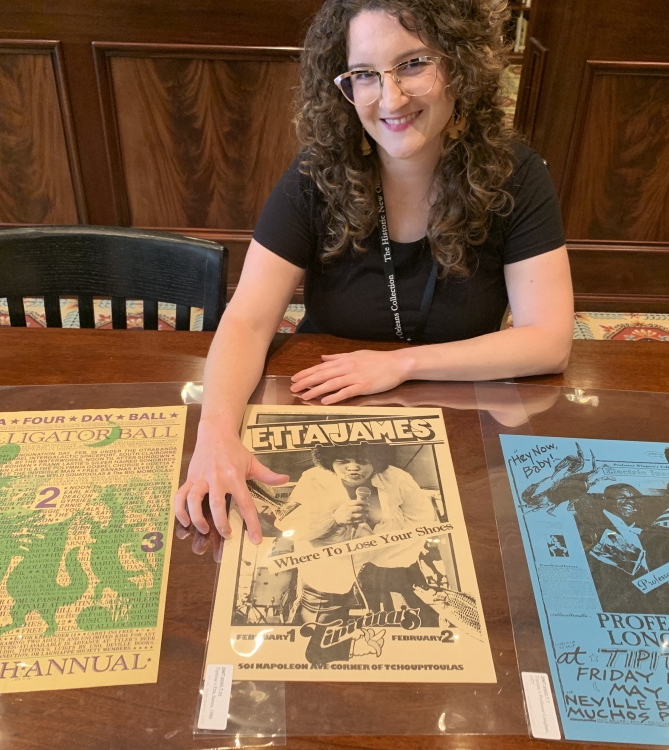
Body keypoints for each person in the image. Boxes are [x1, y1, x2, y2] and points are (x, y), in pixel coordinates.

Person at [175, 0, 573, 544]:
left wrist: (400, 364)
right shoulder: (316, 173)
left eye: (413, 64)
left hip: (458, 418)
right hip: (320, 412)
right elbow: (245, 319)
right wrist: (216, 433)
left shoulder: (517, 175)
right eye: (365, 74)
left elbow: (548, 341)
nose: (391, 97)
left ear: (458, 64)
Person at [276, 442, 438, 624]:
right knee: (320, 634)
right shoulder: (313, 479)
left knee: (399, 626)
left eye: (362, 460)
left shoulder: (397, 478)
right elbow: (290, 526)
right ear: (328, 460)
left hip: (386, 571)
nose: (353, 467)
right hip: (326, 575)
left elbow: (421, 519)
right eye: (343, 461)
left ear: (377, 460)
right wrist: (334, 520)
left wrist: (389, 560)